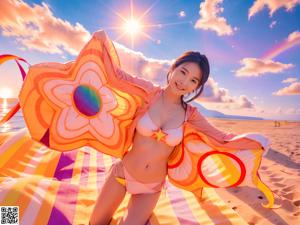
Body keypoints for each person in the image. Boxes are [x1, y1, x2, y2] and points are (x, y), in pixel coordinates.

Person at [88, 30, 254, 225]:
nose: (184, 82)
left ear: (196, 87)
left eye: (193, 80)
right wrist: (102, 44)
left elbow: (221, 138)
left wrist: (254, 141)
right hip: (122, 174)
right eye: (183, 72)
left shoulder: (190, 114)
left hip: (150, 188)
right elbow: (117, 77)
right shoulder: (149, 93)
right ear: (173, 68)